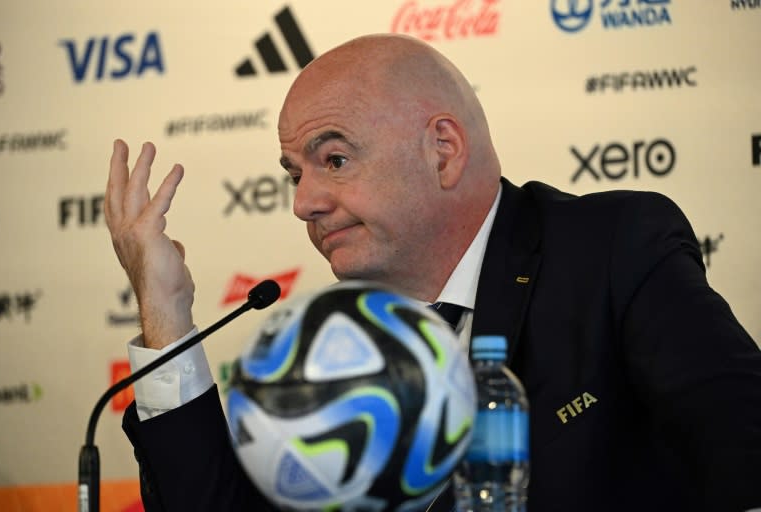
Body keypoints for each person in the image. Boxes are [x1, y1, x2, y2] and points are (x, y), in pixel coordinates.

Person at [105, 34, 761, 512]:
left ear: (442, 151)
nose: (302, 201)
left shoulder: (611, 251)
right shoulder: (335, 343)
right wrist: (166, 312)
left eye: (331, 159)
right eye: (294, 174)